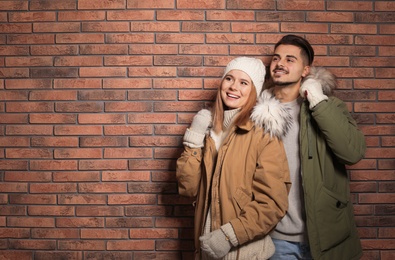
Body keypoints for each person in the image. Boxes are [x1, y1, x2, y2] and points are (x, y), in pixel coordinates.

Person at [251, 35, 366, 260]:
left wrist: (316, 98)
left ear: (305, 70)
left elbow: (352, 152)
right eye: (276, 58)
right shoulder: (257, 113)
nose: (280, 63)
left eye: (290, 59)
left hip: (326, 235)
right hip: (275, 238)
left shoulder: (328, 106)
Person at [176, 57, 291, 259]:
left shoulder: (264, 135)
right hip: (206, 249)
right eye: (229, 78)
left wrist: (228, 236)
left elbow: (272, 204)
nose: (233, 87)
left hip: (244, 252)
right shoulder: (209, 131)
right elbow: (188, 188)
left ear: (253, 91)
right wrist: (194, 139)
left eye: (243, 82)